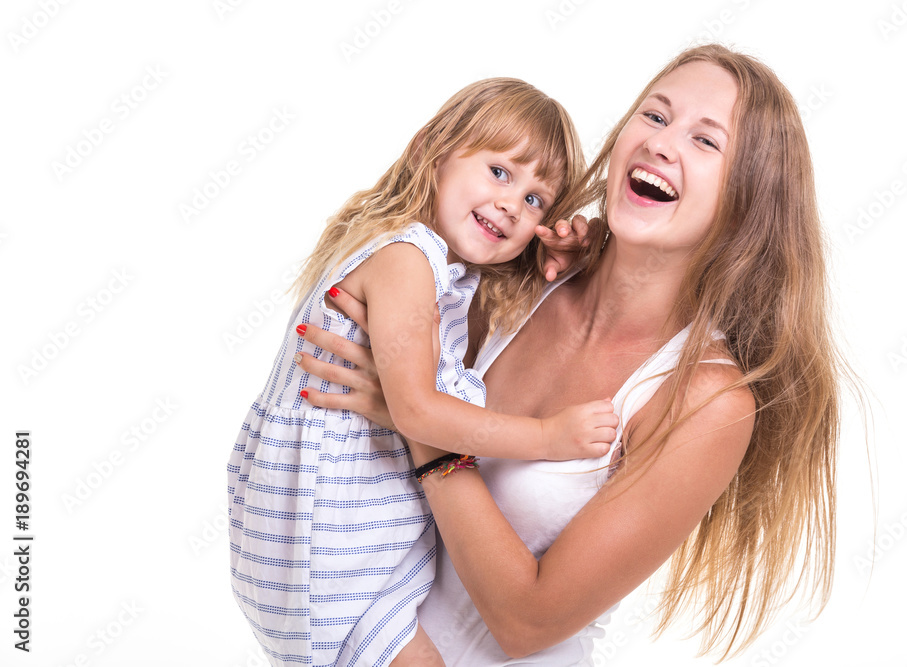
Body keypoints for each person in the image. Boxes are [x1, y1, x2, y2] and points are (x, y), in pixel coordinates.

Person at [299, 43, 847, 665]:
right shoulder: (520, 275)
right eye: (656, 116)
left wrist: (420, 422)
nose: (662, 144)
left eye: (706, 141)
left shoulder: (706, 401)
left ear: (748, 201)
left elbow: (528, 622)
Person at [227, 78, 621, 667]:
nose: (514, 203)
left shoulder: (434, 270)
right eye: (501, 172)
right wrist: (546, 437)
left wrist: (574, 255)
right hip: (330, 551)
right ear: (433, 154)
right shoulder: (406, 260)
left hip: (316, 544)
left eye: (537, 200)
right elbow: (415, 409)